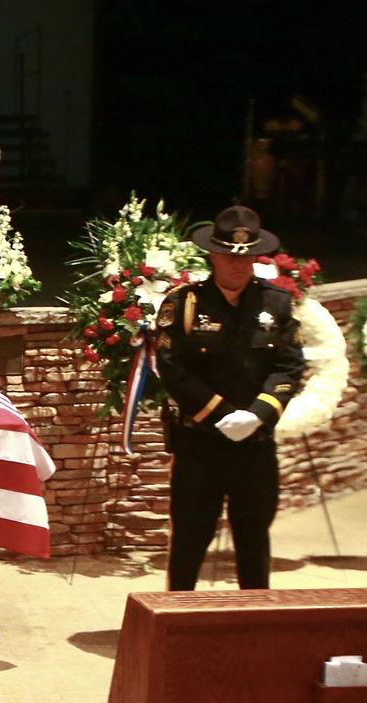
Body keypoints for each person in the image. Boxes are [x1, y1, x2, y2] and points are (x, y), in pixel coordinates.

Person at [154, 205, 305, 591]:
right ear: (213, 255)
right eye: (228, 257)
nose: (237, 266)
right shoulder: (185, 303)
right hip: (200, 444)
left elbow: (289, 367)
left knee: (254, 541)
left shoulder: (276, 303)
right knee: (189, 540)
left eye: (246, 258)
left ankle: (253, 634)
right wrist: (220, 414)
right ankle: (178, 631)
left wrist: (256, 414)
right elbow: (172, 367)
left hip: (254, 446)